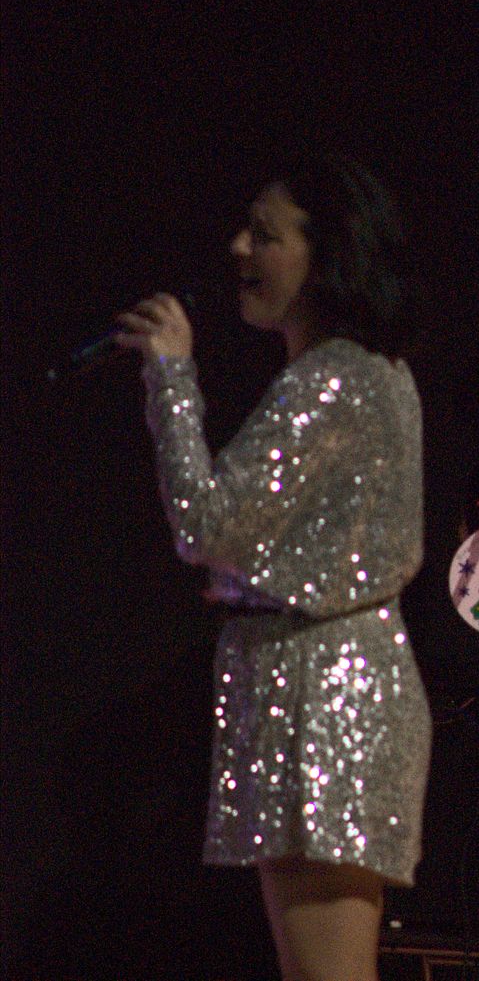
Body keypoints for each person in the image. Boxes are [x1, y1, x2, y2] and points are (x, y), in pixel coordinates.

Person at [116, 157, 431, 981]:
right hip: (314, 677)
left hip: (325, 689)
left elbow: (206, 523)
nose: (239, 247)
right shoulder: (360, 372)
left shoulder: (336, 376)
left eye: (264, 234)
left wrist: (171, 376)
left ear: (327, 254)